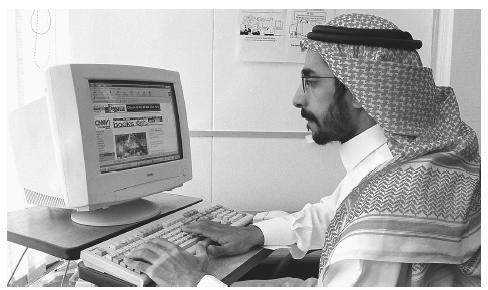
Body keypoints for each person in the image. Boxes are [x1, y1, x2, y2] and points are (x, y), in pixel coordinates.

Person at [123, 13, 481, 287]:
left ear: (360, 91)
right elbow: (341, 213)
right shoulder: (401, 160)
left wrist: (191, 282)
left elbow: (364, 229)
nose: (297, 97)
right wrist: (257, 234)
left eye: (310, 81)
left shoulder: (387, 214)